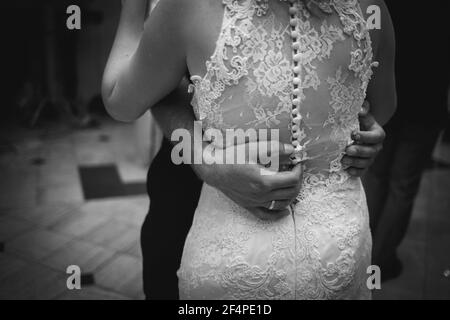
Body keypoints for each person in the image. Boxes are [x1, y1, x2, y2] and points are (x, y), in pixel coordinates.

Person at [103, 0, 395, 299]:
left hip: (233, 258)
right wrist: (349, 127)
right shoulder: (370, 9)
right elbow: (383, 106)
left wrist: (132, 10)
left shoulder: (188, 7)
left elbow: (120, 98)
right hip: (340, 250)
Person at [363, 0, 450, 281]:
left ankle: (365, 254)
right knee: (403, 186)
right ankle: (380, 261)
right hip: (426, 102)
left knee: (376, 177)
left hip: (387, 98)